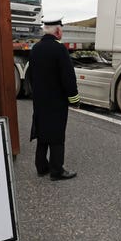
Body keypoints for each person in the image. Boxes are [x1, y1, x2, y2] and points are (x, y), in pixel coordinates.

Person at [29, 16, 81, 181]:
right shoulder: (59, 49)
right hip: (56, 101)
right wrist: (74, 100)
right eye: (62, 30)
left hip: (39, 100)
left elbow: (30, 75)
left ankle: (41, 167)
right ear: (58, 31)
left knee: (42, 131)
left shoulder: (35, 48)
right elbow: (68, 78)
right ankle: (56, 171)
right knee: (57, 135)